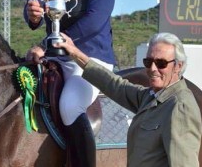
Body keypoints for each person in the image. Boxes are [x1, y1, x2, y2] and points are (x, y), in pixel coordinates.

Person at [24, 0, 116, 167]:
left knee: (69, 106)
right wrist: (32, 14)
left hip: (88, 58)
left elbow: (95, 20)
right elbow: (36, 1)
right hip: (51, 55)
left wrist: (48, 45)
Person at [31, 32, 201, 167]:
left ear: (178, 66)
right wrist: (75, 53)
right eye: (148, 62)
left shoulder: (179, 107)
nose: (153, 69)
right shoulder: (151, 97)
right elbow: (115, 85)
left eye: (161, 63)